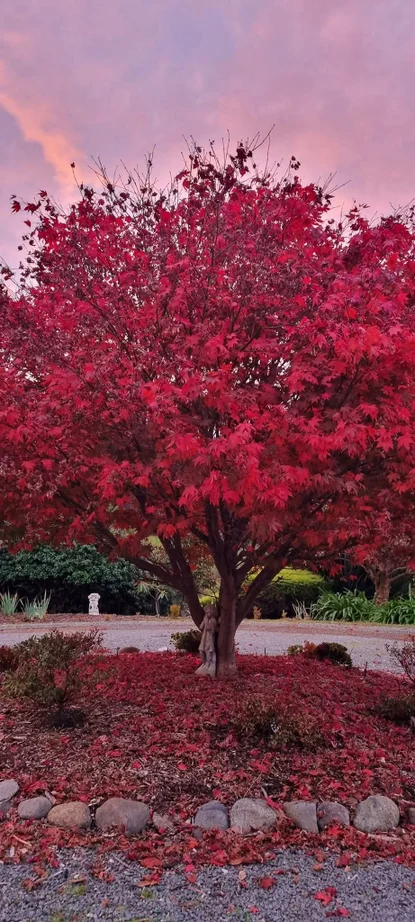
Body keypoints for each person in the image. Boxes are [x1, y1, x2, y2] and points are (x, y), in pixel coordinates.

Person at [196, 603, 219, 676]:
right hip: (204, 637)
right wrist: (203, 623)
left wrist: (210, 626)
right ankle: (204, 663)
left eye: (209, 612)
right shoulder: (205, 618)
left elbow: (214, 630)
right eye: (206, 612)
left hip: (210, 637)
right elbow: (201, 626)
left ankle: (209, 664)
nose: (207, 614)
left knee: (209, 651)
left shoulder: (213, 620)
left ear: (212, 612)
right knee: (201, 650)